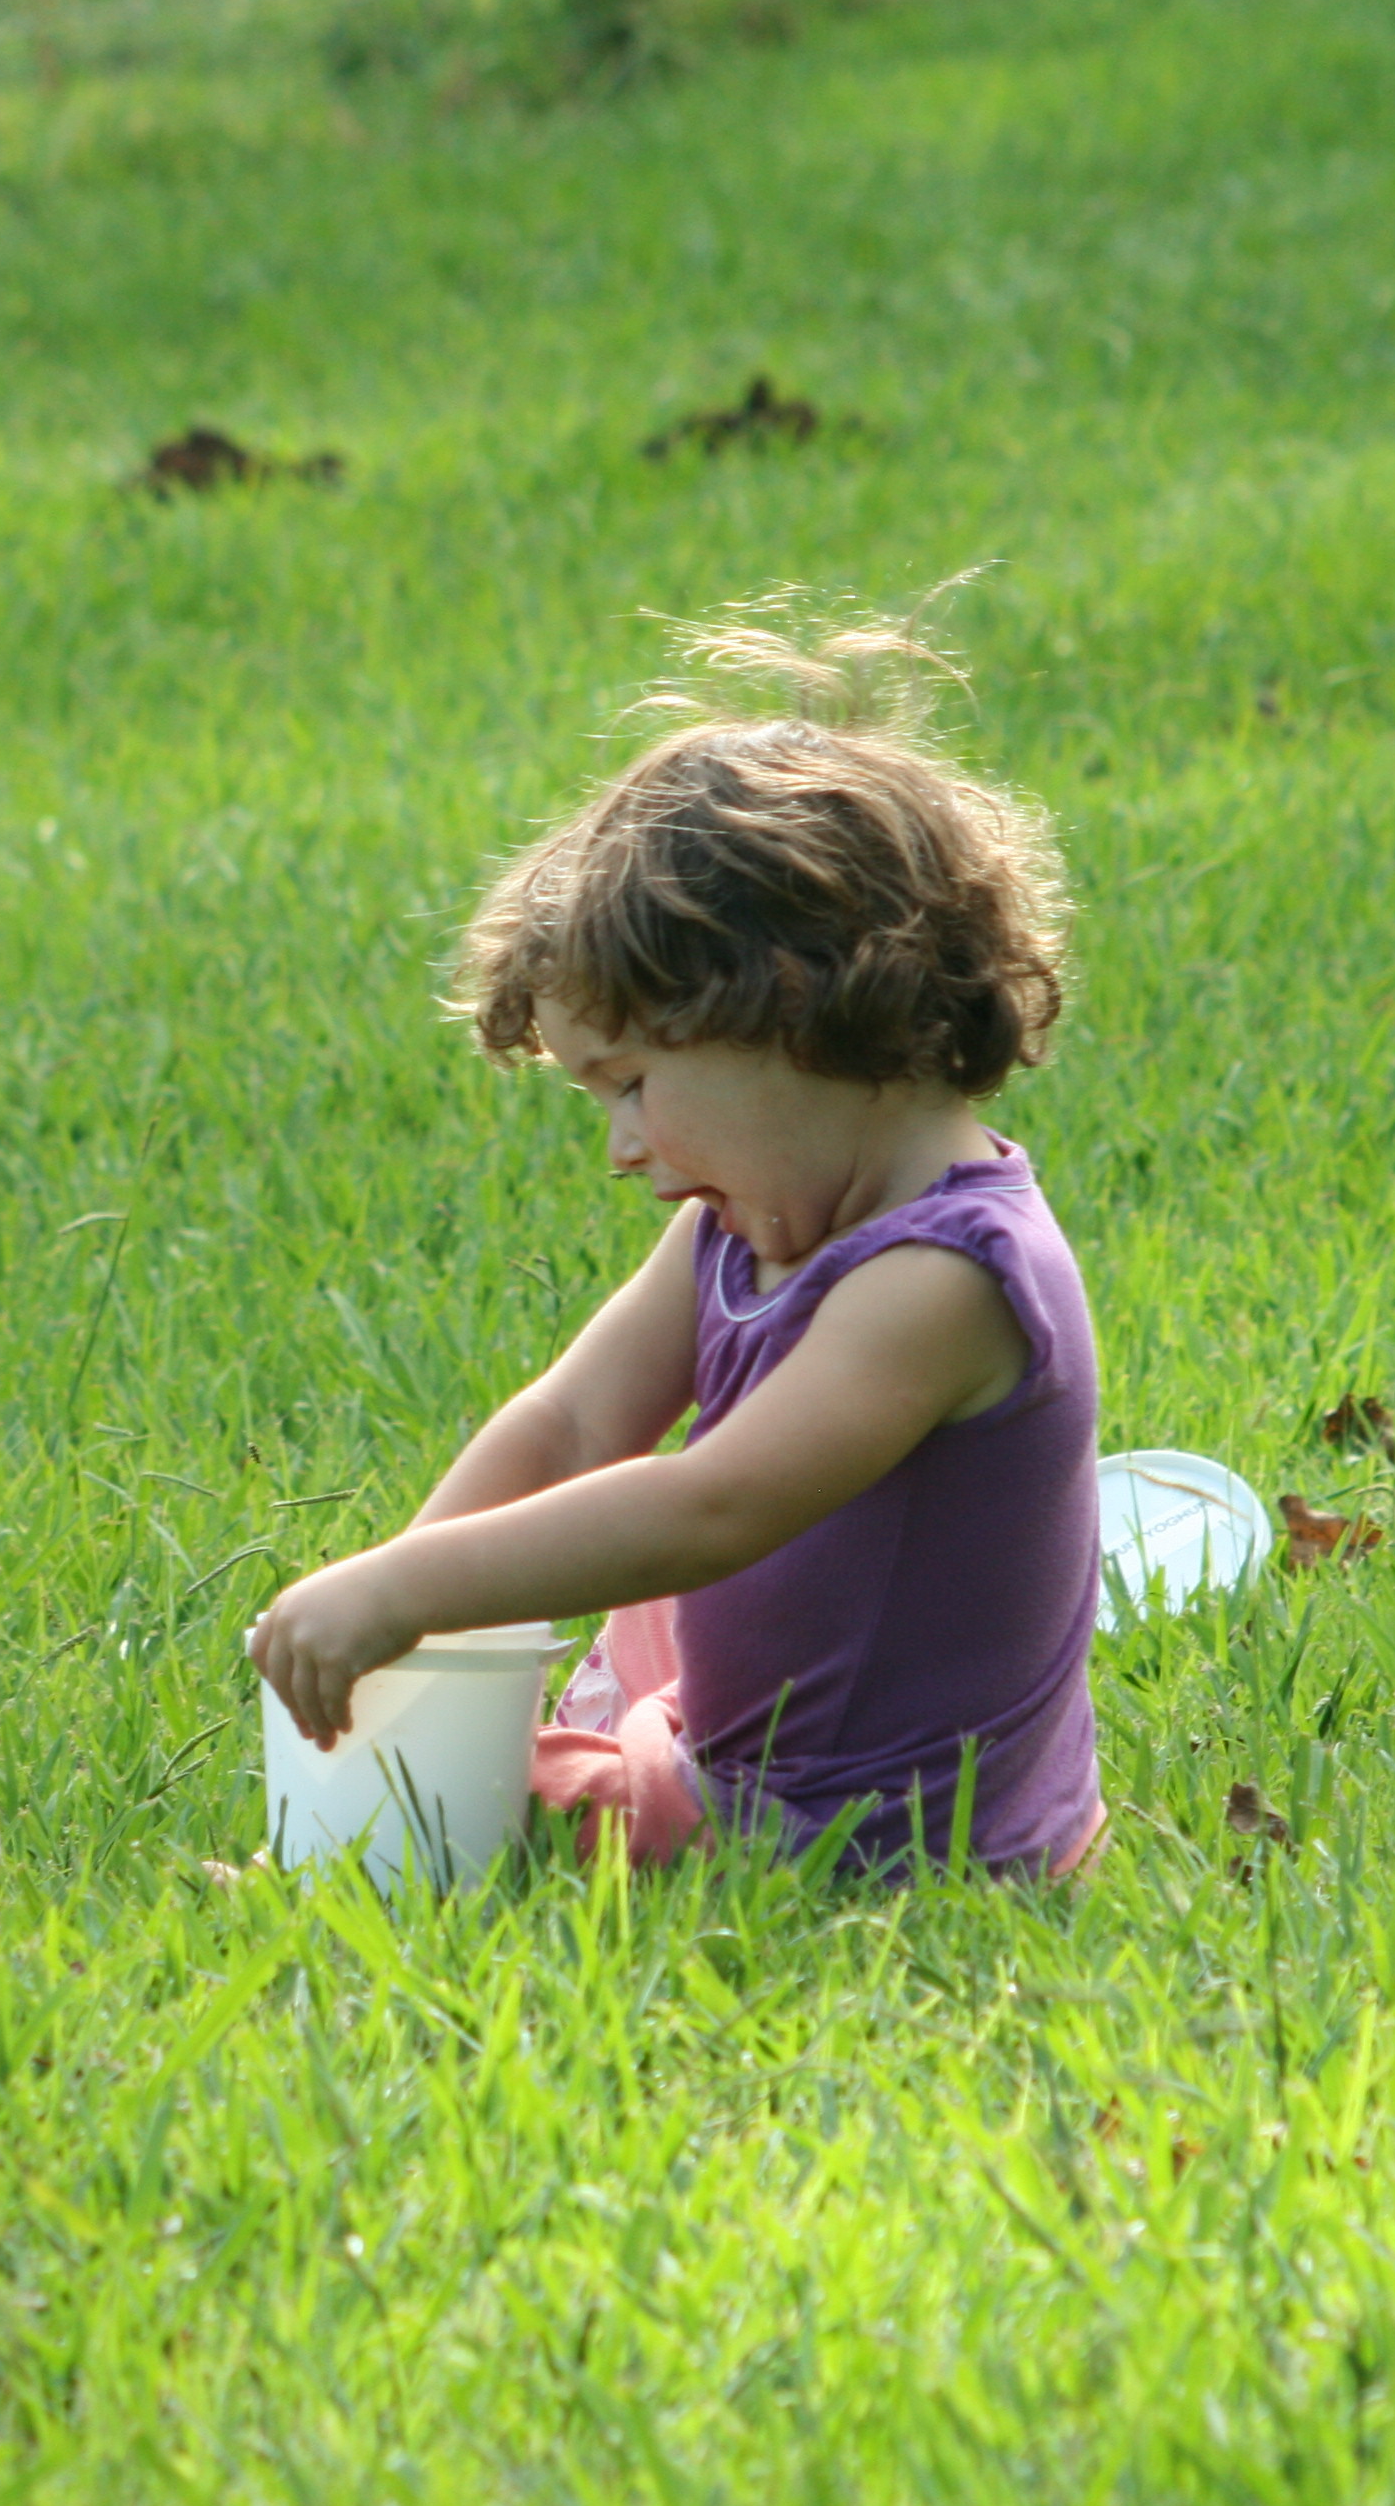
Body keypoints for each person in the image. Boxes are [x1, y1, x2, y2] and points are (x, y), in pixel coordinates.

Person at [247, 617, 1106, 1879]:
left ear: (787, 1006)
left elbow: (714, 1506)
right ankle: (444, 1820)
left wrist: (406, 1596)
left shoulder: (947, 1279)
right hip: (768, 1754)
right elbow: (573, 1427)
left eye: (633, 1082)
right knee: (537, 1711)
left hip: (881, 1836)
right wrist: (403, 1609)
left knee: (497, 1816)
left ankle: (371, 1868)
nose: (621, 1144)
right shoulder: (735, 1231)